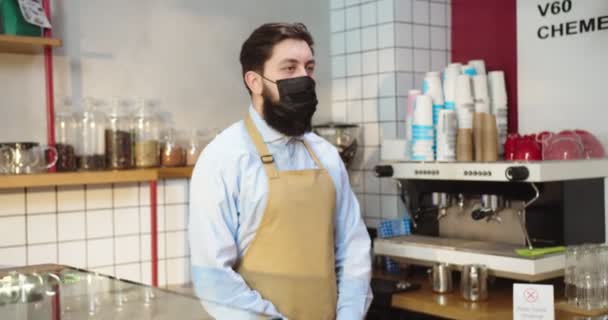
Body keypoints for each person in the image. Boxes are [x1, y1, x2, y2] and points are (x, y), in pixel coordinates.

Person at [189, 22, 372, 320]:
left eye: (309, 68)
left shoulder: (325, 155)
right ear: (254, 81)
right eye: (289, 68)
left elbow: (353, 247)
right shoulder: (224, 158)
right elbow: (213, 278)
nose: (304, 78)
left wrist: (349, 315)